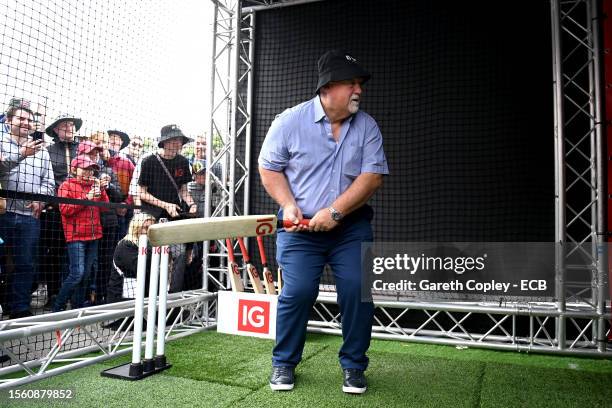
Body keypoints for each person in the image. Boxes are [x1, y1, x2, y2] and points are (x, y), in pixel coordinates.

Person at [258, 50, 388, 394]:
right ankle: (283, 363)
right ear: (328, 87)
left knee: (356, 291)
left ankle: (354, 367)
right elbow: (269, 168)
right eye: (352, 83)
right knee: (298, 291)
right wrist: (287, 204)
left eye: (360, 83)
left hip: (351, 228)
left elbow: (372, 177)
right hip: (299, 230)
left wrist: (334, 213)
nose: (359, 89)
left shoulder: (367, 126)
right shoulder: (289, 121)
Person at [0, 100, 55, 318]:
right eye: (21, 118)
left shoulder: (42, 150)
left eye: (30, 120)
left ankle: (19, 309)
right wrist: (21, 153)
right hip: (2, 214)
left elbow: (49, 183)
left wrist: (41, 200)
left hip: (29, 217)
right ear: (8, 120)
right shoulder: (1, 143)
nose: (26, 123)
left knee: (26, 264)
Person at [138, 124, 196, 292]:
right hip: (151, 217)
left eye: (180, 140)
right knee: (151, 258)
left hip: (174, 217)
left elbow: (183, 190)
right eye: (174, 140)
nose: (177, 143)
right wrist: (165, 205)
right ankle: (150, 294)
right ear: (165, 142)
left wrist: (191, 203)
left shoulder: (183, 162)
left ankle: (173, 295)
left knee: (179, 254)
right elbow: (142, 193)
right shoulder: (149, 161)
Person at [54, 155, 108, 312]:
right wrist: (86, 197)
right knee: (77, 273)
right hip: (75, 237)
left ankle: (77, 308)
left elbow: (105, 208)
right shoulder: (66, 186)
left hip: (94, 235)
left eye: (91, 169)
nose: (89, 172)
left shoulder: (94, 185)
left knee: (86, 274)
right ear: (73, 170)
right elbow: (65, 210)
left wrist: (101, 191)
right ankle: (58, 307)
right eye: (85, 169)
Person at [41, 113, 83, 308]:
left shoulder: (82, 150)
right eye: (64, 125)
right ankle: (53, 294)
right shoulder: (47, 151)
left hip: (79, 210)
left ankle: (73, 296)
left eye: (72, 125)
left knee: (75, 255)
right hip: (55, 211)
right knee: (54, 254)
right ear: (56, 129)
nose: (69, 127)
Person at [82, 133, 124, 304]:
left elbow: (119, 195)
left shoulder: (108, 171)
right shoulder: (79, 171)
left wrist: (109, 186)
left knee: (106, 260)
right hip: (87, 223)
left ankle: (101, 295)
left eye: (97, 152)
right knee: (88, 262)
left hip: (108, 223)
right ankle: (84, 296)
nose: (95, 155)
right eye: (92, 152)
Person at [107, 212, 156, 304]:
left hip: (141, 297)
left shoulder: (145, 244)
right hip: (122, 300)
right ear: (136, 228)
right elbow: (140, 267)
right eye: (146, 228)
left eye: (152, 229)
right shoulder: (126, 245)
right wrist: (152, 247)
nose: (149, 232)